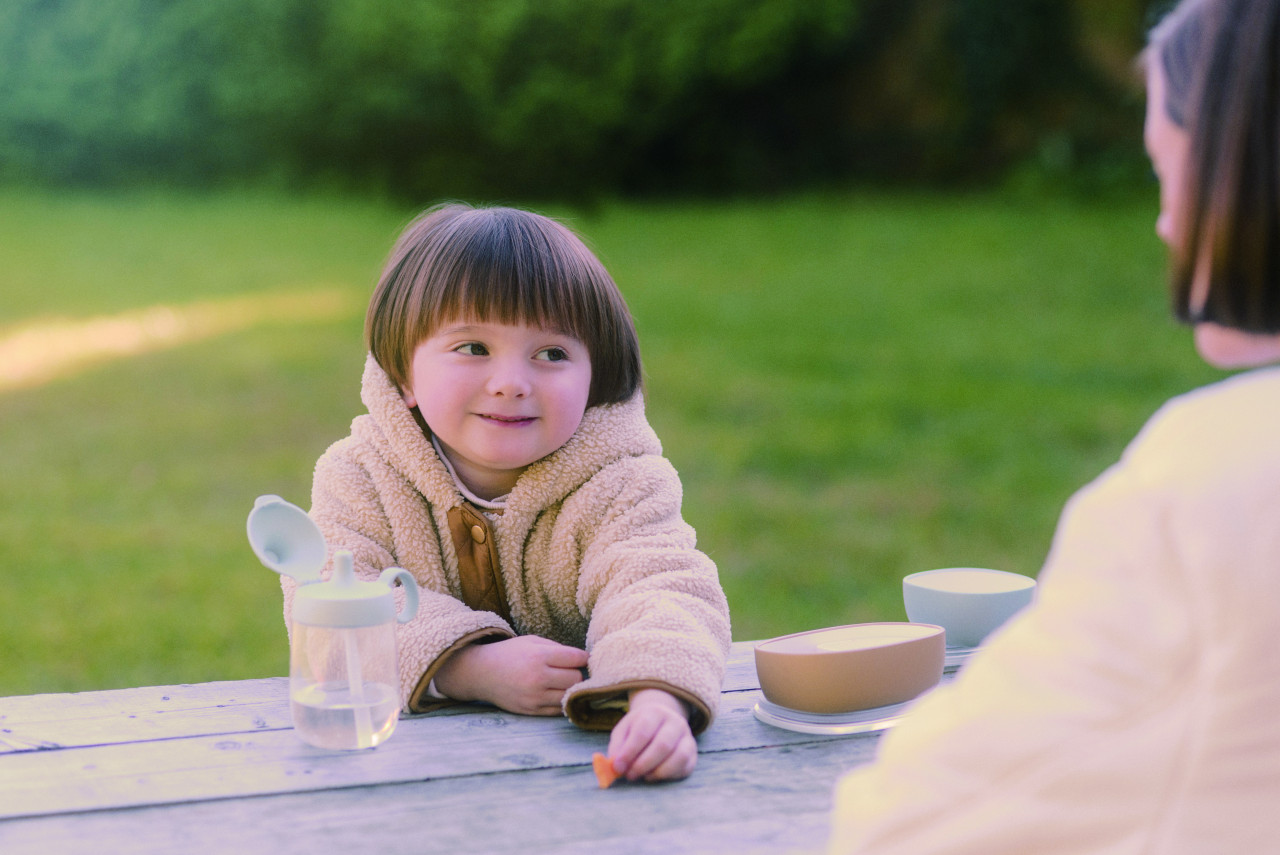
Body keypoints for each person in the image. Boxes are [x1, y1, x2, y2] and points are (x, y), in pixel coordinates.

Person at [828, 0, 1280, 850]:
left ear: (1246, 169)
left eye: (1167, 172)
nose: (1166, 224)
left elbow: (921, 819)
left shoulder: (1212, 482)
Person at [282, 202, 731, 782]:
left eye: (552, 354)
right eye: (473, 348)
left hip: (573, 776)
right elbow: (328, 604)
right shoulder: (359, 476)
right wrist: (470, 667)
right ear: (402, 374)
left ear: (595, 376)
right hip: (407, 781)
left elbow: (660, 585)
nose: (512, 384)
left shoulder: (621, 481)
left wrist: (656, 701)